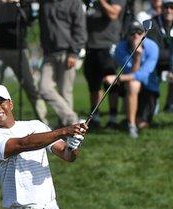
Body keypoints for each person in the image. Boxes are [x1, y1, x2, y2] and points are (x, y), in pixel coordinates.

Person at [0, 0, 47, 123]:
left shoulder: (24, 3)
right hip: (0, 50)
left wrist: (18, 4)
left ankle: (43, 121)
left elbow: (30, 20)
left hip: (19, 50)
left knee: (30, 86)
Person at [105, 21, 159, 138]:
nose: (136, 35)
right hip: (130, 86)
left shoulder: (153, 47)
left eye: (139, 32)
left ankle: (132, 120)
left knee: (143, 124)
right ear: (127, 35)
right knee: (133, 84)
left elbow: (143, 75)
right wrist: (137, 56)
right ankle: (130, 124)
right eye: (132, 32)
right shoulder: (120, 48)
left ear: (144, 33)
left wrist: (117, 78)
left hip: (149, 87)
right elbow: (133, 74)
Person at [38, 0, 86, 127]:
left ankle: (66, 130)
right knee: (44, 88)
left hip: (67, 53)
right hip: (49, 54)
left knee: (65, 92)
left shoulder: (75, 3)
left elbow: (80, 30)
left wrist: (74, 53)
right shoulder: (45, 3)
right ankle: (72, 119)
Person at [84, 0, 127, 128]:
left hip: (109, 46)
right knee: (93, 84)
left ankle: (112, 118)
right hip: (91, 46)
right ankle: (95, 116)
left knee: (111, 83)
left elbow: (113, 14)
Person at [146, 0, 173, 114]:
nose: (169, 10)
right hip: (155, 65)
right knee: (153, 111)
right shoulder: (153, 24)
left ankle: (171, 104)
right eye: (166, 7)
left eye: (172, 7)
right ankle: (153, 103)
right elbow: (154, 52)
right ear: (161, 8)